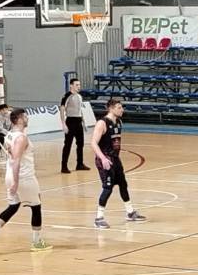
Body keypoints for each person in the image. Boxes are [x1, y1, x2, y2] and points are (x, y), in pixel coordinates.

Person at [0, 108, 52, 254]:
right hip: (23, 177)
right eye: (25, 117)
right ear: (19, 119)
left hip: (10, 175)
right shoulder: (21, 138)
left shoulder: (9, 136)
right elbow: (17, 161)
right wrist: (16, 182)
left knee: (13, 206)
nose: (27, 119)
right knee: (36, 206)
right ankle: (37, 242)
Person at [91, 99, 146, 229]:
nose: (122, 110)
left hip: (115, 158)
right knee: (108, 188)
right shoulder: (102, 123)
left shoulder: (119, 122)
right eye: (119, 107)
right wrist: (103, 159)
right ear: (111, 108)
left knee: (123, 184)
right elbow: (93, 143)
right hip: (105, 159)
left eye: (122, 107)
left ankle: (130, 212)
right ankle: (98, 218)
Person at [60, 78, 90, 173]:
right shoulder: (67, 96)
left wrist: (84, 122)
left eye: (79, 85)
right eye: (76, 85)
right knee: (68, 144)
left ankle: (79, 164)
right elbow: (62, 109)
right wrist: (63, 124)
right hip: (70, 121)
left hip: (78, 122)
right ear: (71, 85)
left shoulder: (79, 96)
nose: (79, 87)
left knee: (80, 144)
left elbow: (79, 110)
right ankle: (64, 166)